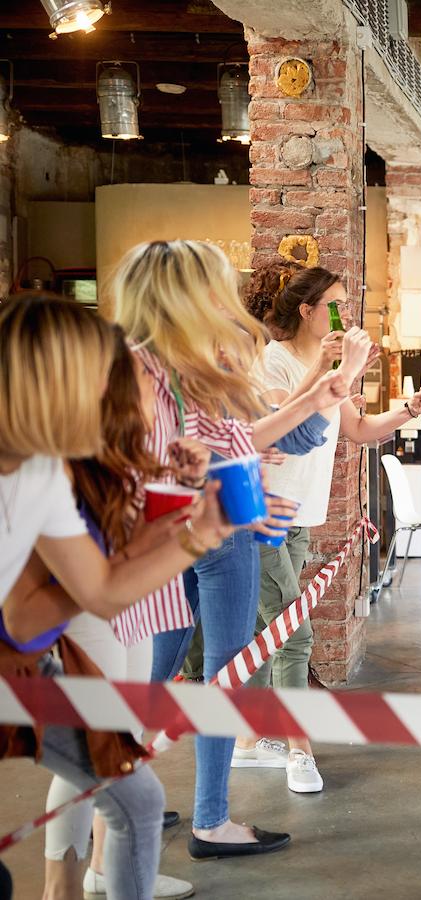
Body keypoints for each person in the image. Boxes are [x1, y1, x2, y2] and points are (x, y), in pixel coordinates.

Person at [111, 240, 352, 861]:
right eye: (217, 285)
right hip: (190, 538)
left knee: (169, 669)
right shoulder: (156, 369)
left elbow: (237, 441)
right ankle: (198, 820)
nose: (229, 299)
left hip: (187, 539)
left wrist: (327, 392)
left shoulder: (170, 362)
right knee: (209, 671)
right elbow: (179, 463)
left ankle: (130, 799)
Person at [0, 295, 237, 900]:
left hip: (19, 662)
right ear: (45, 384)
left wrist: (194, 535)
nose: (113, 400)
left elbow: (95, 592)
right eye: (98, 382)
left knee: (135, 797)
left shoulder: (43, 470)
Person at [232, 262, 421, 794]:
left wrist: (407, 412)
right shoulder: (272, 362)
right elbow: (278, 422)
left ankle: (246, 741)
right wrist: (325, 371)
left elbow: (360, 431)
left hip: (299, 517)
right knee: (293, 634)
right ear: (306, 311)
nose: (344, 313)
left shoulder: (335, 369)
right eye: (335, 304)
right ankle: (300, 753)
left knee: (265, 633)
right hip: (264, 514)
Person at [39, 336, 195, 900]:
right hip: (51, 648)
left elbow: (114, 562)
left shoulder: (98, 461)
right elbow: (97, 589)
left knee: (117, 764)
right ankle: (65, 889)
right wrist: (199, 533)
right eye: (141, 387)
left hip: (66, 634)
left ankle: (71, 887)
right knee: (129, 787)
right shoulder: (46, 469)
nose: (153, 400)